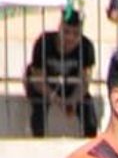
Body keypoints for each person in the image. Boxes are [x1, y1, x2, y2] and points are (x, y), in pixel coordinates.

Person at [24, 8, 98, 137]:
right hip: (44, 86)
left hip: (71, 86)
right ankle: (38, 140)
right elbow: (38, 80)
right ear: (59, 29)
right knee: (39, 105)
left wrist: (73, 100)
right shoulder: (44, 42)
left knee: (88, 108)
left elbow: (85, 81)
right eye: (66, 32)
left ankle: (91, 141)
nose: (70, 38)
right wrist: (57, 100)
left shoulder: (86, 47)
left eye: (76, 34)